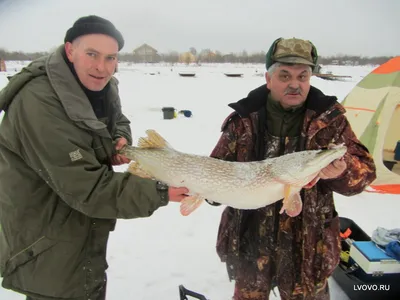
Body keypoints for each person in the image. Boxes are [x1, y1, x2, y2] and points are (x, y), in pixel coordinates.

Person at [0, 15, 188, 300]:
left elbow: (118, 119)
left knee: (86, 285)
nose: (102, 67)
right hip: (47, 243)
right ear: (69, 50)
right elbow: (88, 188)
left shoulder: (100, 85)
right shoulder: (39, 102)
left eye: (111, 58)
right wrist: (161, 191)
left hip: (81, 236)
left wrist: (118, 138)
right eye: (92, 54)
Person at [208, 37, 376, 300]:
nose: (294, 84)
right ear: (269, 78)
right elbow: (214, 171)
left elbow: (364, 173)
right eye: (284, 75)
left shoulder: (330, 121)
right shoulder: (243, 121)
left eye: (303, 75)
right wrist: (204, 189)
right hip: (252, 245)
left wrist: (342, 171)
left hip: (310, 248)